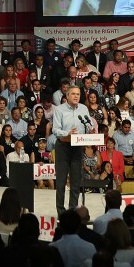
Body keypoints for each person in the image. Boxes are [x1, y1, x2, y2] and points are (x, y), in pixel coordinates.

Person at [51, 86, 92, 214]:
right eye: (73, 94)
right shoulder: (59, 109)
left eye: (78, 94)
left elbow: (88, 123)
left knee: (75, 181)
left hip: (77, 147)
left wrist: (91, 129)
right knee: (61, 182)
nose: (76, 96)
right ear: (67, 96)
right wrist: (67, 133)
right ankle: (61, 212)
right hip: (63, 147)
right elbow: (55, 130)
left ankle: (73, 210)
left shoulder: (84, 108)